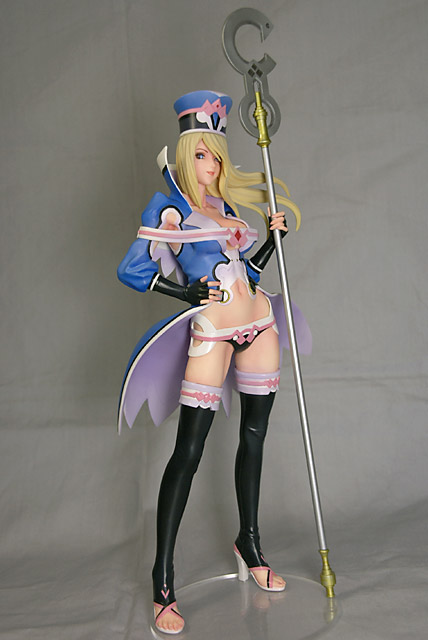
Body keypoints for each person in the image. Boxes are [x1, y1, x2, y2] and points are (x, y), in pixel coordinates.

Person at [117, 90, 311, 634]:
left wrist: (271, 240)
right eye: (203, 154)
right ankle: (162, 579)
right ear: (185, 154)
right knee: (189, 451)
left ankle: (249, 542)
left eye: (218, 155)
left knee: (255, 438)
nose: (214, 165)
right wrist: (184, 294)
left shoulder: (225, 210)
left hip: (260, 323)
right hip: (213, 331)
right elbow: (131, 270)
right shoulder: (168, 208)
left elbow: (246, 272)